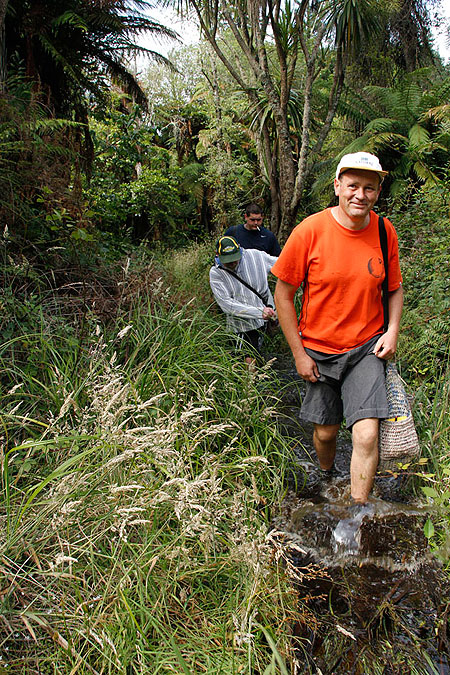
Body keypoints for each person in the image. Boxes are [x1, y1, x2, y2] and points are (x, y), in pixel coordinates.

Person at [272, 152, 403, 505]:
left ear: (377, 192)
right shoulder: (310, 231)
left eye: (369, 188)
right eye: (353, 186)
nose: (360, 195)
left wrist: (391, 332)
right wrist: (299, 354)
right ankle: (327, 474)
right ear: (338, 187)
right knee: (326, 432)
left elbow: (394, 287)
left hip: (366, 349)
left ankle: (357, 513)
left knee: (365, 435)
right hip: (319, 349)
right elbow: (283, 295)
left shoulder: (383, 230)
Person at [209, 235, 278, 366]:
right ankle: (249, 385)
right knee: (246, 357)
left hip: (262, 320)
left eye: (234, 259)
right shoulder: (216, 273)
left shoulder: (256, 256)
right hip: (240, 324)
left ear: (240, 250)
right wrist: (259, 311)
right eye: (227, 260)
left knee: (254, 354)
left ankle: (254, 382)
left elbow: (281, 264)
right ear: (218, 255)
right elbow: (227, 304)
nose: (232, 263)